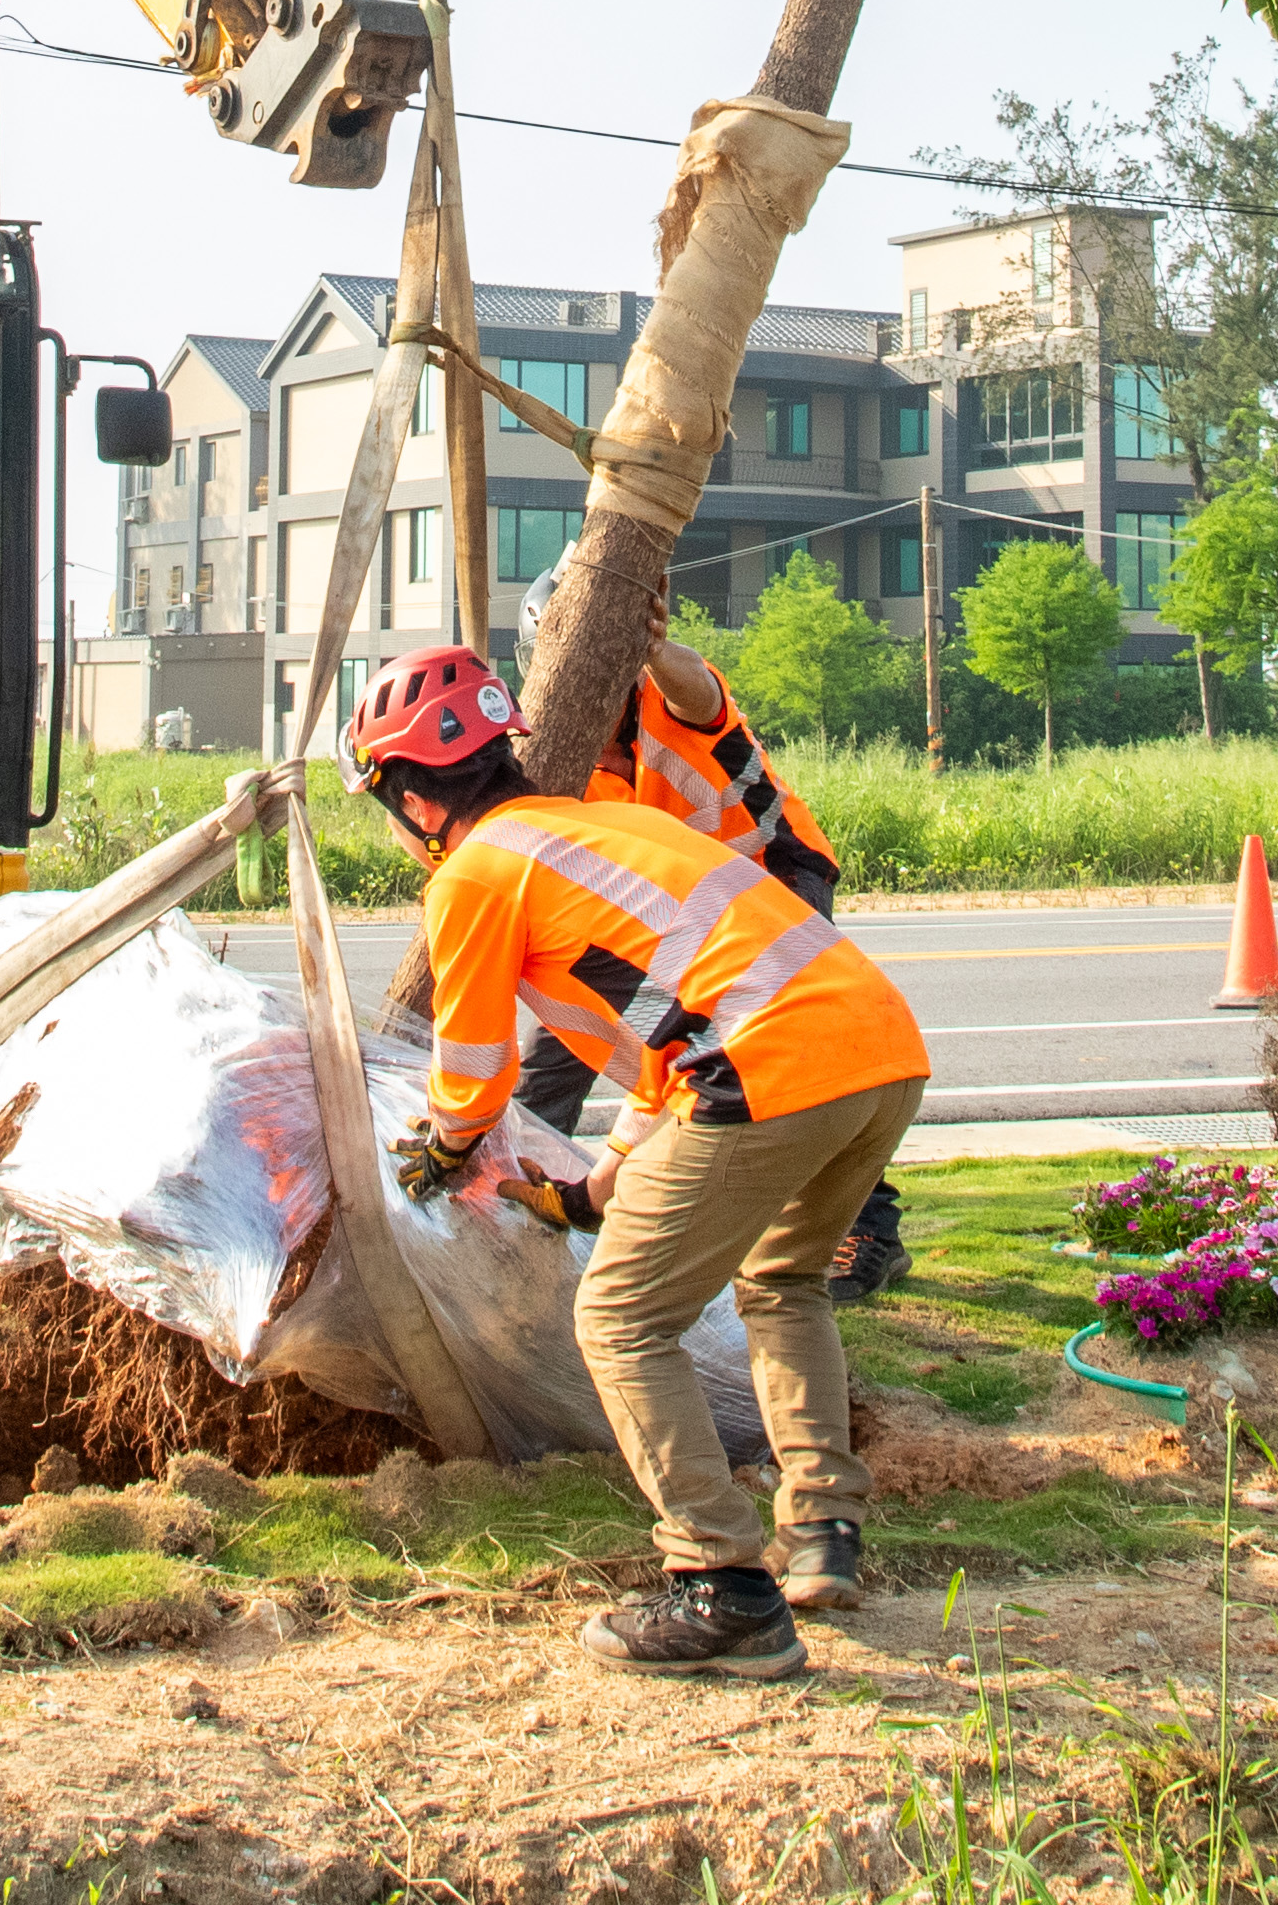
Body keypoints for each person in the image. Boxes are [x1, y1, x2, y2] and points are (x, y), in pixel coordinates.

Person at [346, 646, 931, 1679]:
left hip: (768, 1069)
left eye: (385, 802)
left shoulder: (477, 870)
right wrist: (586, 1192)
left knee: (620, 1318)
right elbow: (663, 1051)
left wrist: (441, 1148)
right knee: (782, 1281)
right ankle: (823, 1527)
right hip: (879, 1050)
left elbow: (473, 1070)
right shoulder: (607, 827)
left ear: (413, 797)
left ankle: (721, 1586)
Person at [512, 552, 912, 1300]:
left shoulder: (671, 694)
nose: (588, 696)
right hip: (684, 919)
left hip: (776, 875)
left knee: (800, 1056)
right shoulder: (559, 764)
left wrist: (654, 648)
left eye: (602, 674)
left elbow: (697, 691)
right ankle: (531, 1203)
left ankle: (868, 1233)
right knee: (562, 1049)